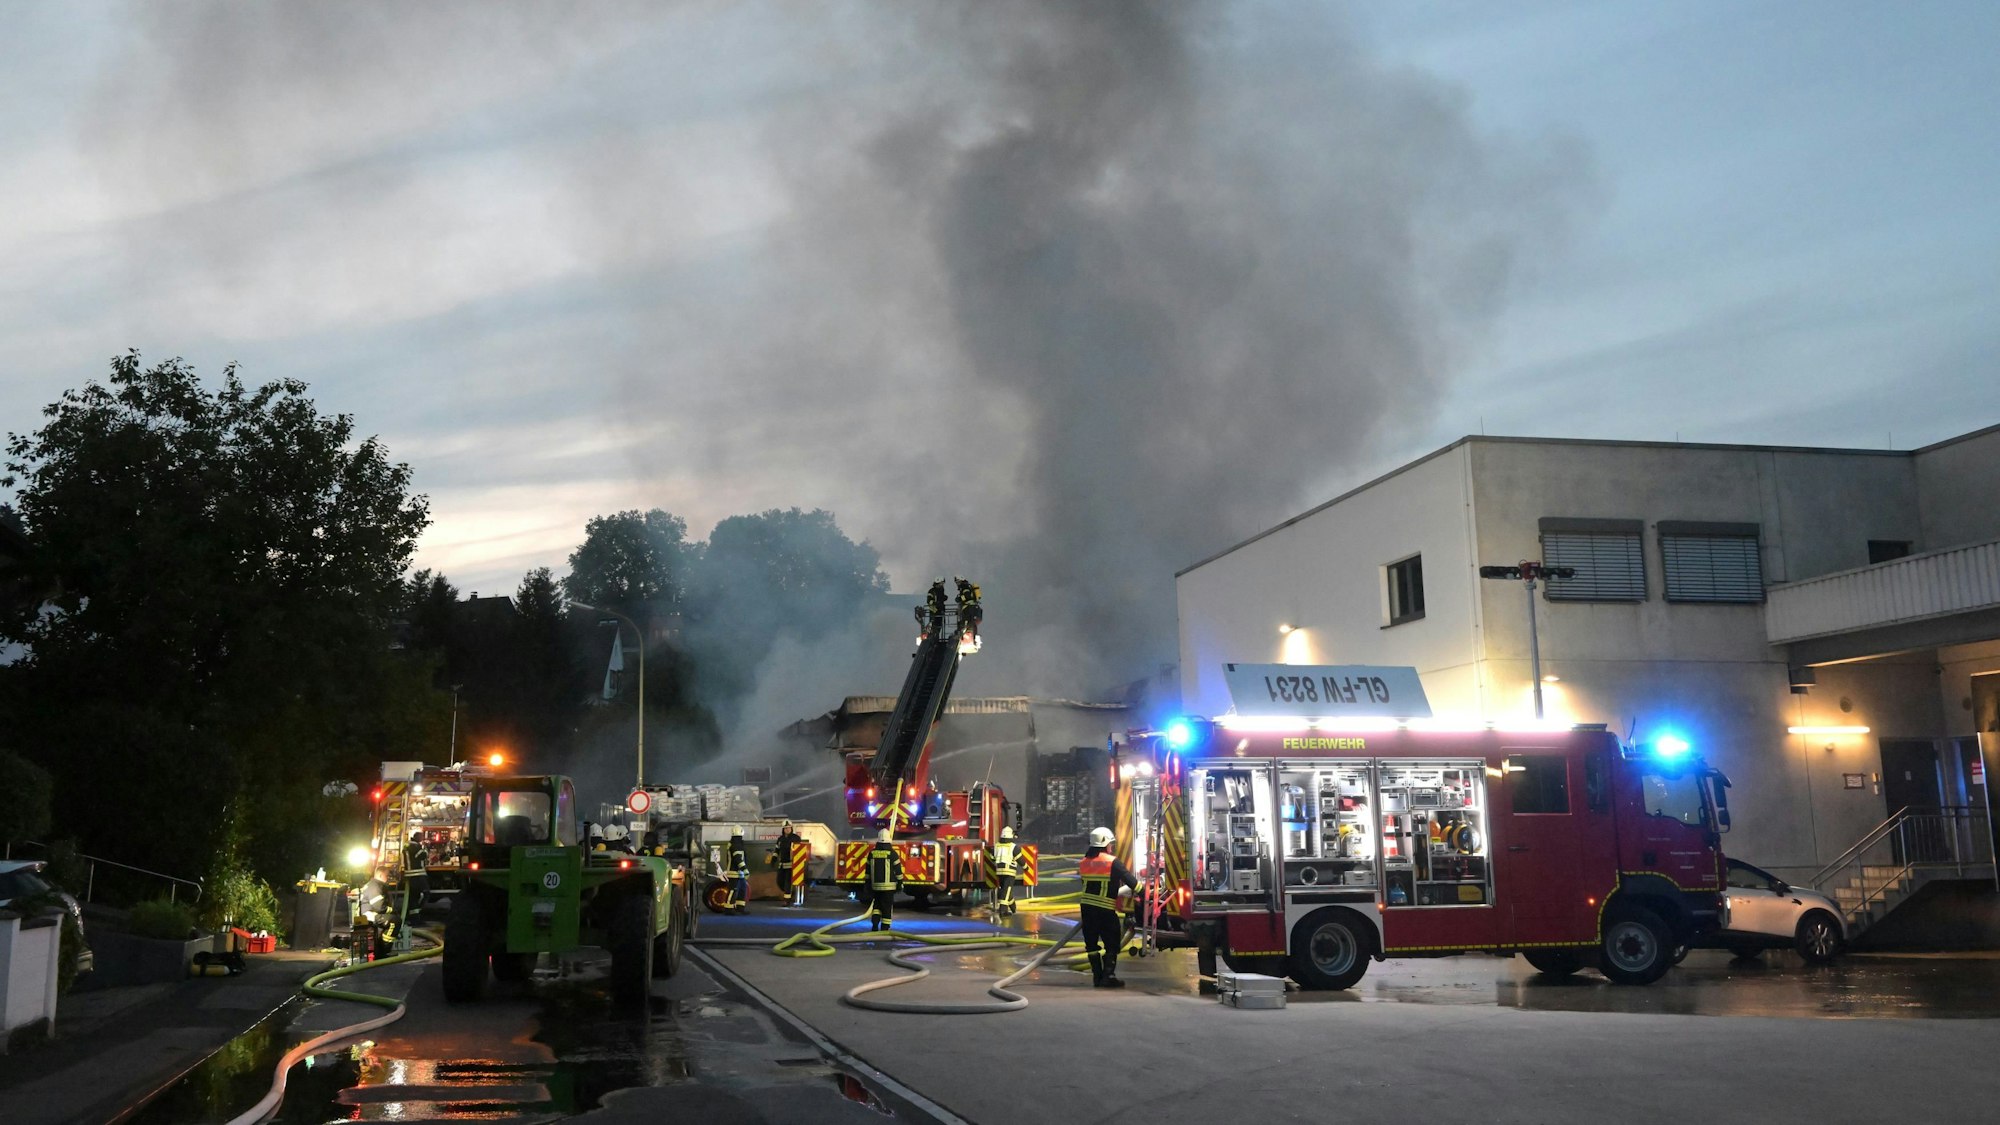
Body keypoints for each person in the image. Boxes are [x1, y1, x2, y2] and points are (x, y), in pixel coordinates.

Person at [1078, 825, 1141, 988]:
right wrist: (1146, 893)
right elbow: (1132, 882)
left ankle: (1097, 977)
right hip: (1104, 909)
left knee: (1091, 944)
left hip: (1086, 909)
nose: (1111, 847)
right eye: (1110, 844)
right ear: (1105, 844)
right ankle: (1108, 976)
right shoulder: (1112, 862)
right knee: (1112, 943)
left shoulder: (1084, 862)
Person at [866, 828, 902, 932]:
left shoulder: (872, 853)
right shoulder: (893, 854)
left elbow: (867, 872)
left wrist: (867, 885)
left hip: (875, 886)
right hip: (889, 888)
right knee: (886, 908)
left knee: (876, 907)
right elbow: (898, 871)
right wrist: (900, 884)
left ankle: (875, 925)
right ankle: (885, 928)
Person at [771, 821, 808, 907]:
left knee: (788, 882)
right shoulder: (780, 839)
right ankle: (789, 893)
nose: (787, 830)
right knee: (779, 881)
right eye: (785, 828)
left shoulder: (796, 838)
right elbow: (777, 851)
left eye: (788, 828)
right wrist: (774, 859)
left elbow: (799, 851)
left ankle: (787, 900)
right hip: (782, 864)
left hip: (791, 864)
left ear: (791, 828)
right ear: (783, 829)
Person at [989, 826, 1020, 917]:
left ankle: (1013, 908)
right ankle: (1003, 910)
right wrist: (1026, 868)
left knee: (1005, 891)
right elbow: (1020, 859)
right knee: (1006, 890)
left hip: (999, 871)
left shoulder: (997, 845)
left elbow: (992, 857)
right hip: (1009, 872)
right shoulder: (1013, 847)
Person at [723, 832, 750, 914]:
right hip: (734, 872)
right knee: (733, 890)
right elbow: (738, 858)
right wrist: (744, 869)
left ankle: (740, 907)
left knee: (742, 889)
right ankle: (728, 908)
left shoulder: (735, 844)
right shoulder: (736, 845)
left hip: (739, 872)